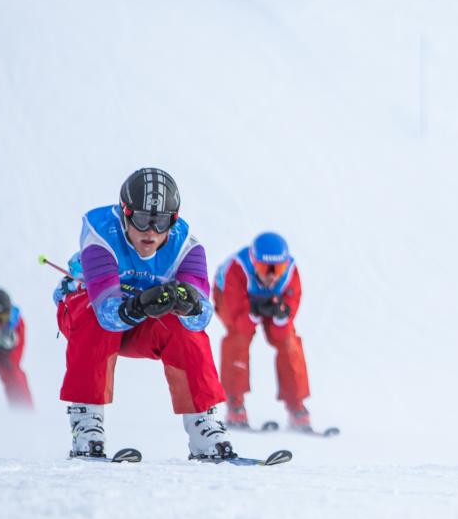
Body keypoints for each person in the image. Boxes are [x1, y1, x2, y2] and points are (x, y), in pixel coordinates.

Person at [55, 167, 235, 460]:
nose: (151, 231)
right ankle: (86, 425)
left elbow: (202, 319)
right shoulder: (100, 234)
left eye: (161, 222)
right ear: (125, 213)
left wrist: (189, 304)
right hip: (90, 317)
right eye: (141, 220)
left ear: (173, 221)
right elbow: (106, 315)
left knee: (183, 327)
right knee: (90, 313)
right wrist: (138, 305)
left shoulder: (187, 247)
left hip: (138, 328)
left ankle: (203, 426)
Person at [213, 232, 311, 430]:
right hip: (231, 297)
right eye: (265, 268)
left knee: (289, 342)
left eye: (278, 268)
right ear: (253, 262)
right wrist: (254, 312)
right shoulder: (237, 270)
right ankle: (235, 405)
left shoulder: (291, 275)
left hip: (267, 301)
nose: (272, 275)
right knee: (238, 338)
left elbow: (282, 330)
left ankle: (296, 407)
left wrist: (280, 315)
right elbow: (237, 320)